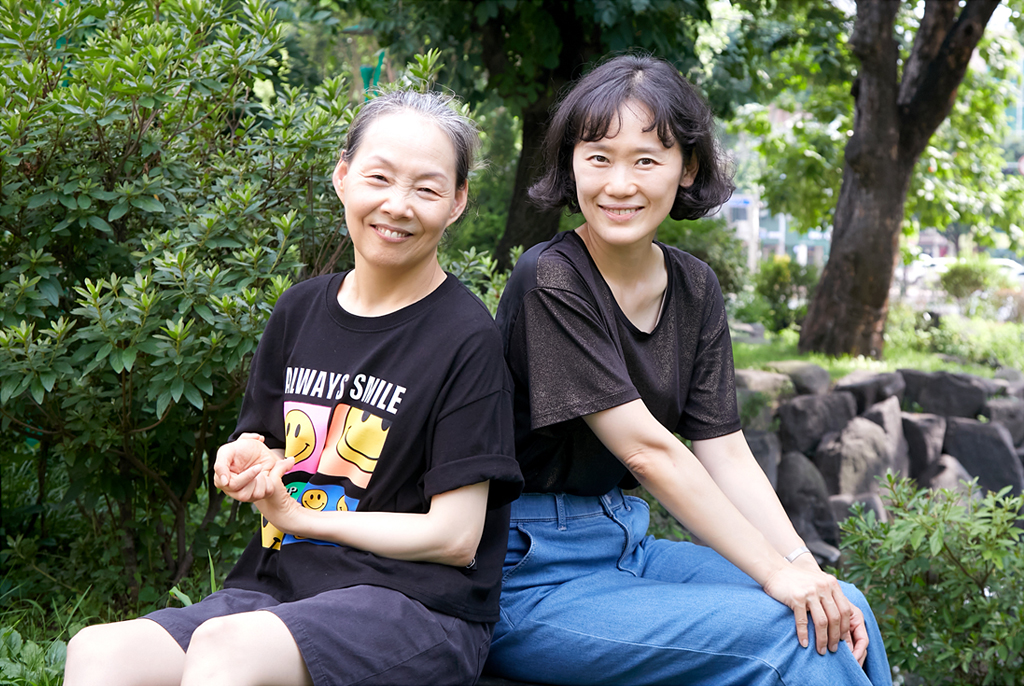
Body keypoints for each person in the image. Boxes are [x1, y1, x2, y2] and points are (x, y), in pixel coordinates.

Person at [64, 89, 523, 686]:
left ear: (457, 202)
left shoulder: (467, 338)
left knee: (231, 649)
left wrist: (301, 519)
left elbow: (456, 537)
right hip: (279, 590)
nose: (397, 205)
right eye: (378, 176)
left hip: (417, 607)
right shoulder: (301, 310)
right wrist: (253, 458)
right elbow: (280, 448)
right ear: (342, 175)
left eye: (427, 188)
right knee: (99, 651)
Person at [485, 54, 892, 686]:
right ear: (571, 162)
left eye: (646, 159)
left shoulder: (694, 286)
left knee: (841, 606)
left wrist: (802, 567)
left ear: (688, 167)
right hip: (530, 576)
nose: (619, 184)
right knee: (790, 633)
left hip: (627, 546)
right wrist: (778, 577)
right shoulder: (552, 279)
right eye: (598, 156)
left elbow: (724, 450)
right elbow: (650, 453)